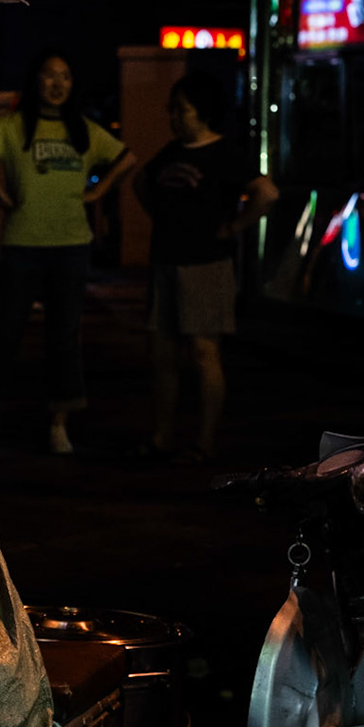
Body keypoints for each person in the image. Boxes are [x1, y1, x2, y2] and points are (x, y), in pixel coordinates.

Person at [0, 52, 133, 454]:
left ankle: (59, 421)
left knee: (63, 334)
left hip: (71, 245)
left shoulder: (83, 129)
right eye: (49, 76)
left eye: (65, 76)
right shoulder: (13, 126)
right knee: (5, 330)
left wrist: (98, 192)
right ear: (36, 81)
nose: (58, 83)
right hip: (22, 243)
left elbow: (127, 158)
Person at [133, 73, 278, 461]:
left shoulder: (225, 152)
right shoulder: (171, 152)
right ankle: (162, 436)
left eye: (182, 110)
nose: (174, 117)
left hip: (206, 264)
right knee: (162, 353)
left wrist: (234, 226)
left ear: (203, 112)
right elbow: (141, 182)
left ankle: (204, 441)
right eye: (172, 110)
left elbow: (266, 193)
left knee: (203, 351)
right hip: (166, 260)